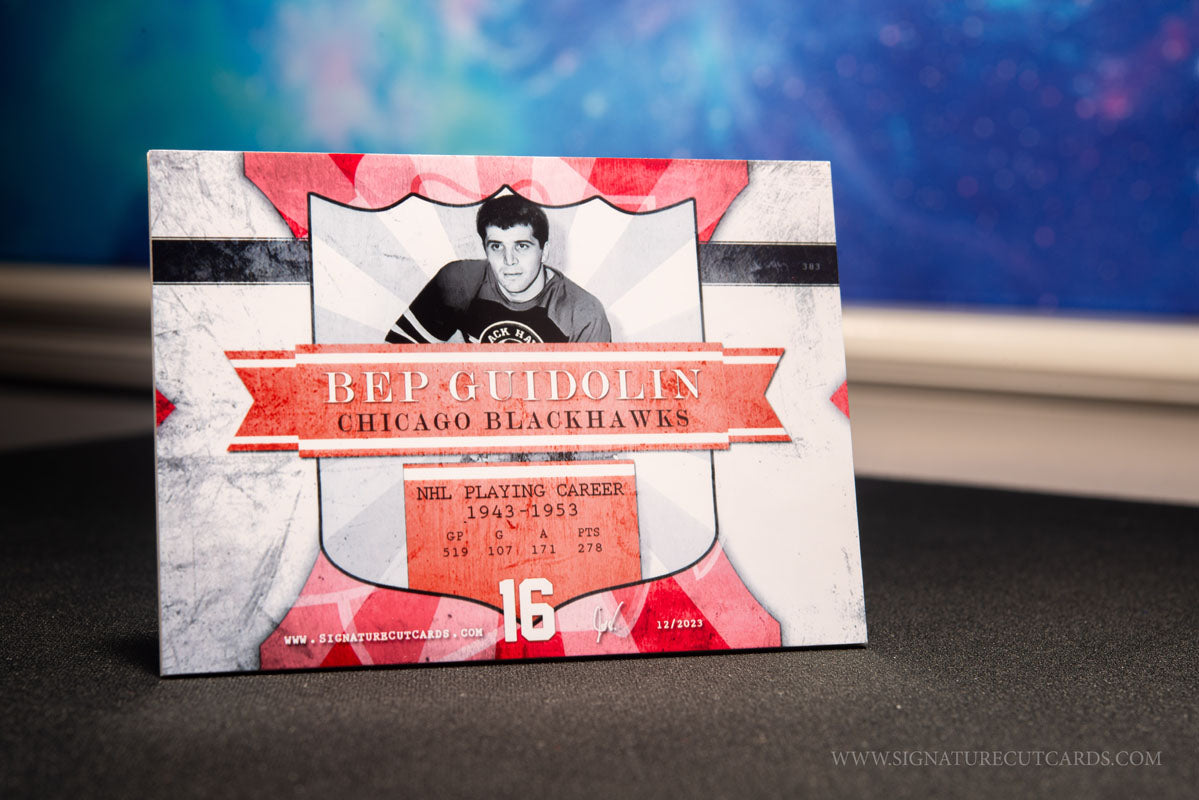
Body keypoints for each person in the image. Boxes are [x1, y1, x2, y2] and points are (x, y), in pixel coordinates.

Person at [385, 194, 611, 344]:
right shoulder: (460, 281)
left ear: (544, 252)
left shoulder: (583, 315)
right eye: (496, 246)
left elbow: (590, 401)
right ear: (485, 249)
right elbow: (395, 359)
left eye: (522, 246)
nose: (508, 260)